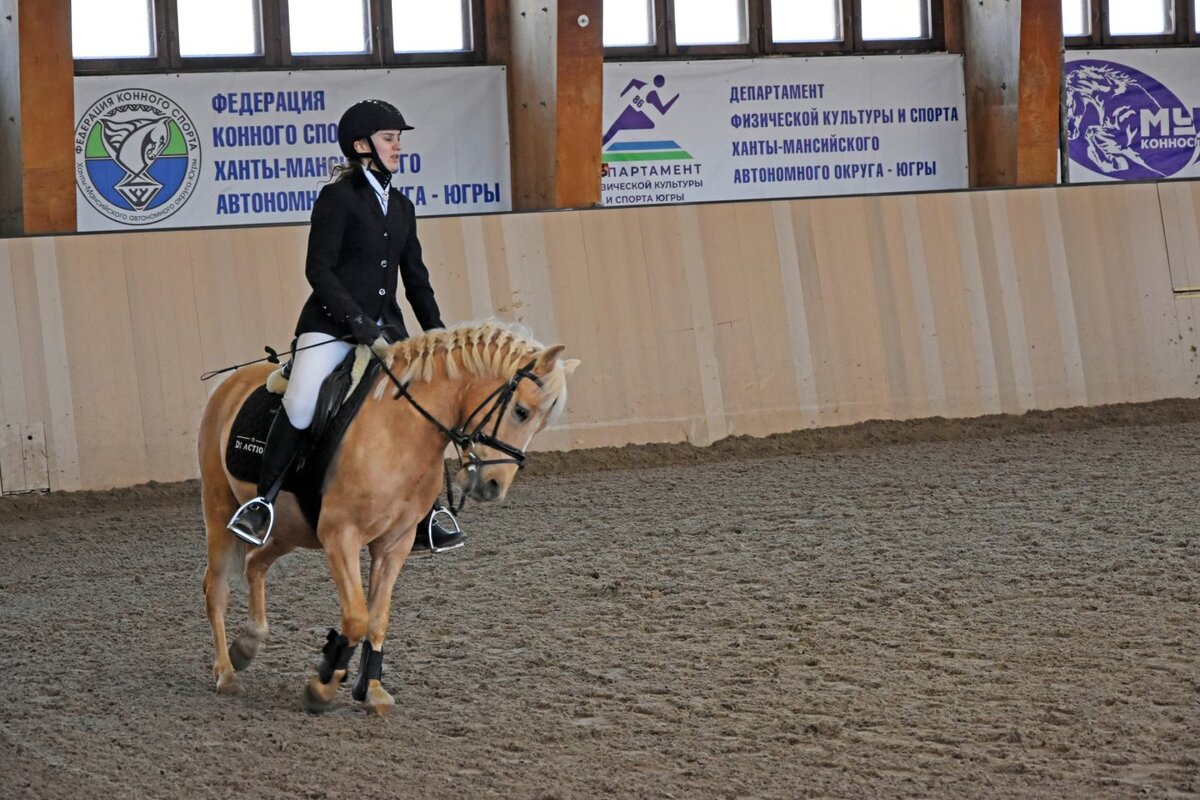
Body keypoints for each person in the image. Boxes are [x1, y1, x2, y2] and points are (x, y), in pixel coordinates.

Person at [227, 99, 465, 553]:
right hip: (331, 327)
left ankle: (429, 511)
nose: (398, 147)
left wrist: (436, 333)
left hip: (387, 332)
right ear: (362, 146)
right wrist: (358, 324)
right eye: (389, 139)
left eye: (399, 139)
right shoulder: (337, 198)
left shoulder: (402, 206)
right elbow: (319, 271)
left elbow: (415, 278)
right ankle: (263, 504)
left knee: (422, 403)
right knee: (299, 402)